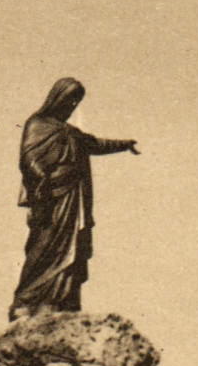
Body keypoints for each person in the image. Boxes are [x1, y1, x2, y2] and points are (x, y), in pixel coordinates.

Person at [10, 78, 139, 321]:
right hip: (50, 197)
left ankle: (63, 301)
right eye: (69, 100)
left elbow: (96, 144)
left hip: (73, 198)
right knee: (44, 247)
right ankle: (26, 301)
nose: (72, 106)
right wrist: (41, 177)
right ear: (57, 98)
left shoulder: (71, 132)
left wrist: (124, 145)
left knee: (72, 250)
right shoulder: (37, 124)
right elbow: (28, 158)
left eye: (76, 102)